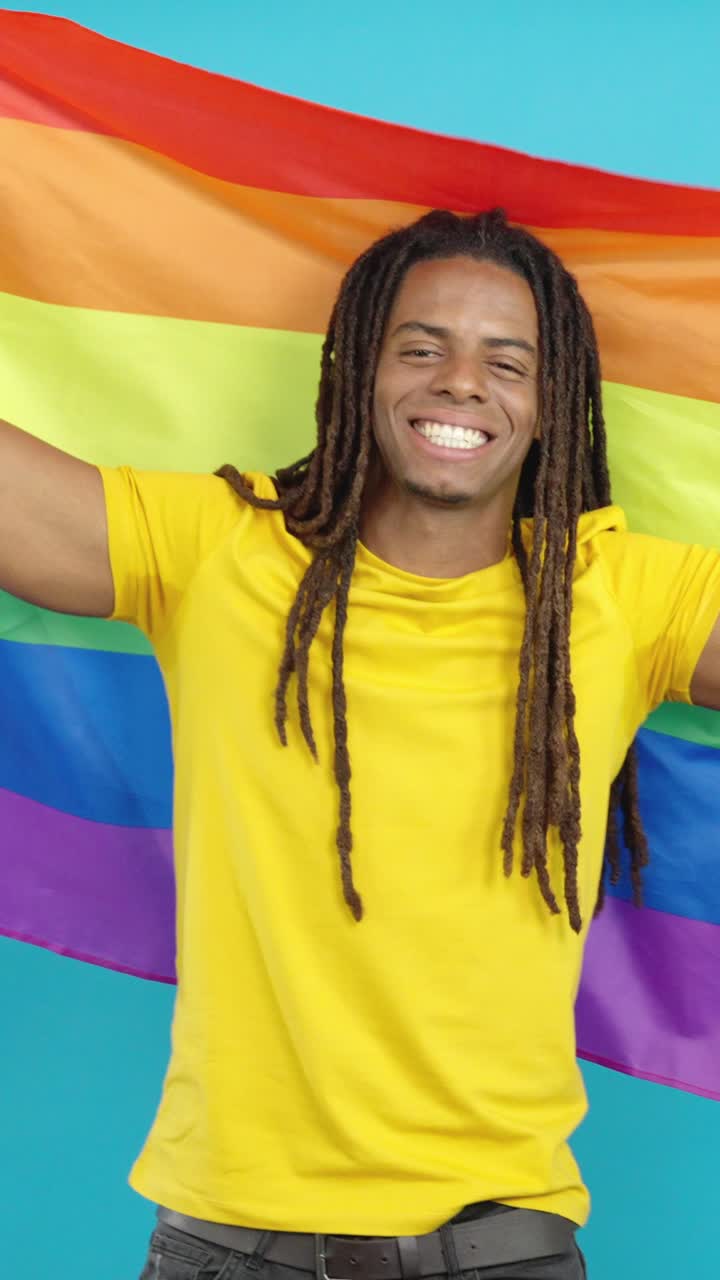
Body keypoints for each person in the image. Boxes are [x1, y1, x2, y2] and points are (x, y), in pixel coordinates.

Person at [3, 209, 720, 1279]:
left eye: (506, 360)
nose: (461, 382)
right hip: (225, 1245)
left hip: (500, 1249)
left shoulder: (623, 595)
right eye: (421, 346)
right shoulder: (220, 549)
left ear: (552, 399)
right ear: (356, 367)